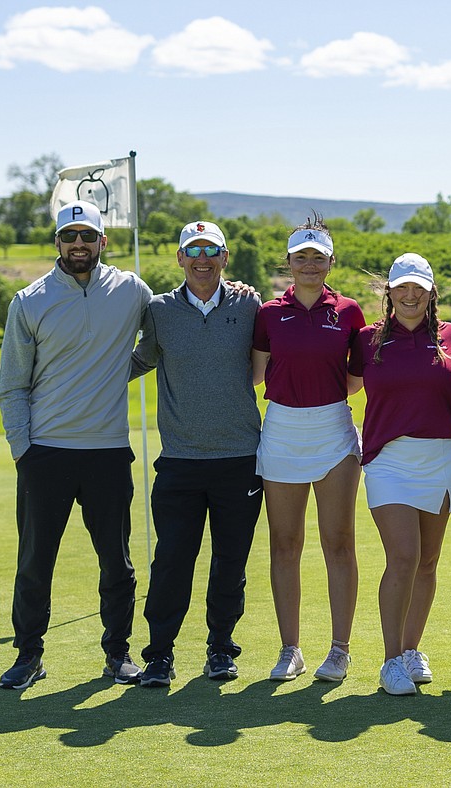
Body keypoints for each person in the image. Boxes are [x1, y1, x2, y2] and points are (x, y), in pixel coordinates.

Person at [0, 200, 152, 689]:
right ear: (57, 243)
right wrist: (24, 450)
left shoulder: (131, 290)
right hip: (46, 453)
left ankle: (117, 654)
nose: (78, 244)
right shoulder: (29, 300)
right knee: (36, 561)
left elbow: (165, 330)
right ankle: (28, 656)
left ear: (103, 241)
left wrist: (118, 372)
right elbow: (12, 384)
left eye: (88, 236)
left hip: (107, 452)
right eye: (70, 237)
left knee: (117, 562)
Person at [130, 221, 264, 687]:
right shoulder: (159, 310)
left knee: (231, 563)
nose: (202, 258)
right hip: (180, 462)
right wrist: (74, 375)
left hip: (240, 459)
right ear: (180, 258)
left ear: (226, 258)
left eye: (212, 250)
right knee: (171, 562)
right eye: (193, 250)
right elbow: (142, 358)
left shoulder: (250, 303)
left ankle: (221, 649)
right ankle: (159, 656)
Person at [251, 217, 366, 682]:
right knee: (285, 544)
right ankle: (290, 648)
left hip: (333, 429)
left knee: (338, 542)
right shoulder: (267, 312)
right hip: (281, 429)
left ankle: (339, 649)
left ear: (330, 262)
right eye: (301, 257)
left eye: (318, 258)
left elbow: (355, 378)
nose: (310, 265)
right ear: (289, 262)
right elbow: (256, 373)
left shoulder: (350, 311)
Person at [349, 254, 451, 696]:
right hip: (388, 461)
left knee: (428, 561)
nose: (410, 295)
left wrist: (428, 417)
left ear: (431, 291)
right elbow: (341, 384)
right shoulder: (366, 340)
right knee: (403, 558)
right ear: (389, 292)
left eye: (419, 287)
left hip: (439, 457)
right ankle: (390, 660)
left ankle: (412, 650)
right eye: (402, 287)